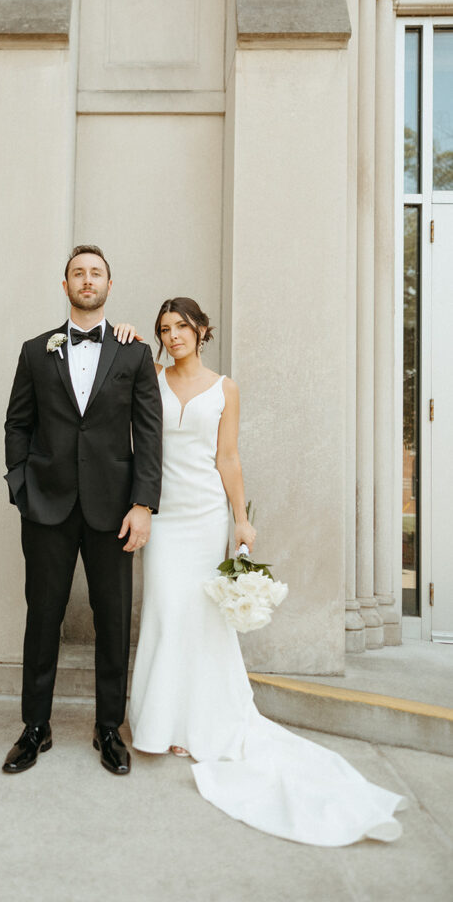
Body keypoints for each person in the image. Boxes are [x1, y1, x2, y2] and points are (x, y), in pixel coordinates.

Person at [128, 296, 407, 845]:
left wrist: (240, 520)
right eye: (165, 329)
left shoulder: (224, 387)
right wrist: (128, 333)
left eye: (182, 327)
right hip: (163, 512)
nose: (173, 336)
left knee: (202, 620)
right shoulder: (149, 377)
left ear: (203, 331)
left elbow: (227, 457)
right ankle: (158, 722)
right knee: (164, 610)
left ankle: (199, 725)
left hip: (206, 514)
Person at [2, 245, 162, 776]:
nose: (87, 280)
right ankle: (35, 727)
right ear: (65, 284)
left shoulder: (134, 354)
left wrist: (143, 504)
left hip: (114, 509)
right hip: (46, 505)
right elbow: (17, 424)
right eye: (78, 273)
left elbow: (148, 434)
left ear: (109, 286)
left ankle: (108, 728)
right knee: (42, 617)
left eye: (96, 273)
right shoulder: (34, 351)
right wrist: (21, 486)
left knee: (113, 620)